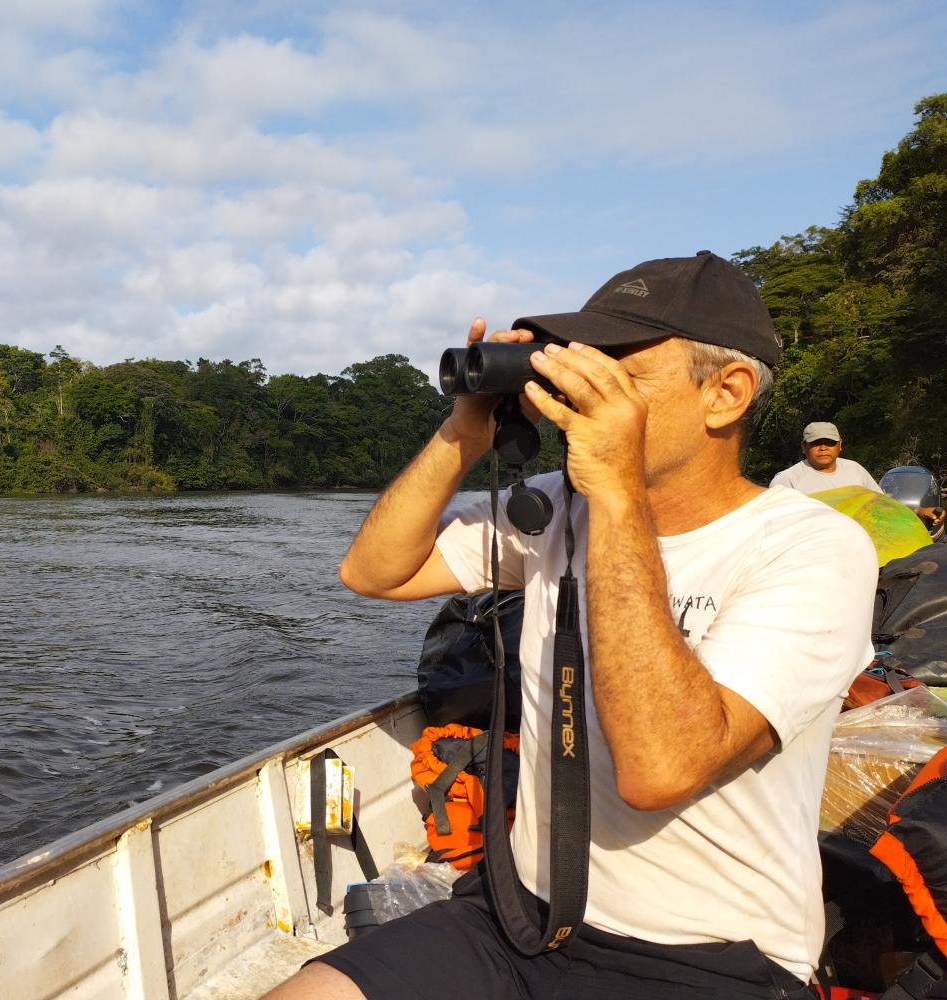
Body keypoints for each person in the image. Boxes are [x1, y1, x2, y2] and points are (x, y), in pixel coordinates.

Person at [265, 252, 876, 1000]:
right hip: (522, 912)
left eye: (616, 371)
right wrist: (467, 430)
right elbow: (374, 571)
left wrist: (617, 497)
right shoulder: (558, 508)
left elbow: (660, 769)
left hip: (715, 953)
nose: (580, 393)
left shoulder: (811, 547)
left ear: (726, 393)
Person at [768, 423, 881, 493]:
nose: (823, 448)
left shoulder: (854, 469)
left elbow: (880, 503)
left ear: (840, 445)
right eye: (815, 443)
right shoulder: (787, 480)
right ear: (803, 447)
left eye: (830, 442)